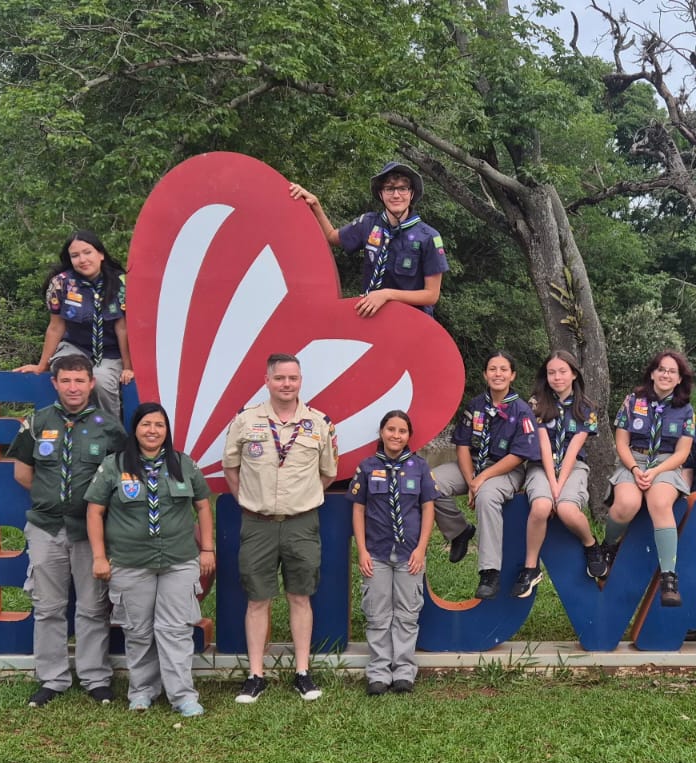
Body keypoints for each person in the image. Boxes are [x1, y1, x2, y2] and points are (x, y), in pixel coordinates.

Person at [6, 356, 127, 708]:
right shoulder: (37, 422)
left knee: (92, 605)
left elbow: (121, 478)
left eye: (80, 380)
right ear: (55, 383)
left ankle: (95, 678)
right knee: (48, 606)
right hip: (46, 527)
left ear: (91, 384)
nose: (73, 387)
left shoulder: (109, 426)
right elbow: (22, 474)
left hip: (92, 533)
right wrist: (53, 501)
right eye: (66, 381)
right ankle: (53, 678)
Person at [222, 353, 339, 703]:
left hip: (301, 523)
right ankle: (256, 674)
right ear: (267, 380)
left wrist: (298, 499)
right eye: (279, 378)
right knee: (257, 599)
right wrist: (249, 499)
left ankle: (303, 672)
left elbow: (329, 472)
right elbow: (231, 467)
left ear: (301, 380)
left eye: (293, 378)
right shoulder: (245, 421)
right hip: (257, 523)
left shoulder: (318, 423)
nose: (286, 384)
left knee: (300, 596)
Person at [84, 402, 214, 716]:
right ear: (135, 429)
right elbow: (95, 510)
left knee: (176, 630)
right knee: (138, 631)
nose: (152, 431)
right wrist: (99, 556)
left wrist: (207, 549)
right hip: (130, 562)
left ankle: (183, 696)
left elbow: (203, 505)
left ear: (166, 430)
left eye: (159, 425)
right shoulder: (114, 465)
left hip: (178, 560)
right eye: (146, 424)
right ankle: (141, 691)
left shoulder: (183, 463)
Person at [430, 351, 539, 600]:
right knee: (430, 481)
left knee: (487, 496)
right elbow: (463, 445)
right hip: (472, 467)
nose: (497, 374)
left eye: (503, 369)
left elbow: (519, 456)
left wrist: (481, 480)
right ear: (484, 374)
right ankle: (459, 531)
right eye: (492, 369)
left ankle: (489, 572)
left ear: (512, 375)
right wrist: (471, 480)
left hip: (505, 469)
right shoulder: (476, 405)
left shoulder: (521, 411)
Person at [350, 410, 438, 695]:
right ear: (381, 432)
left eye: (402, 431)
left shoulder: (419, 467)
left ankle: (403, 671)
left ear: (408, 436)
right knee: (377, 613)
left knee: (407, 613)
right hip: (375, 551)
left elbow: (427, 508)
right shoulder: (367, 466)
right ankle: (378, 671)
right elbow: (359, 509)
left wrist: (422, 548)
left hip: (409, 552)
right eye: (391, 429)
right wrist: (361, 550)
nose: (396, 435)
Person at [288, 162, 448, 318]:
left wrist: (386, 295)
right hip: (372, 320)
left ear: (411, 193)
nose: (396, 195)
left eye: (403, 188)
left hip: (411, 325)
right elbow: (331, 236)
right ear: (381, 193)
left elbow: (431, 295)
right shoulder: (368, 224)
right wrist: (315, 204)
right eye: (389, 189)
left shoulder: (429, 237)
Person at [513, 352, 609, 598]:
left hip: (573, 465)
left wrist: (560, 485)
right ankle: (531, 567)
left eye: (562, 371)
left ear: (574, 374)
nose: (557, 377)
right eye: (551, 372)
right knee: (541, 507)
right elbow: (543, 444)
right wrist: (552, 485)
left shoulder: (587, 408)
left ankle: (591, 545)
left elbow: (575, 448)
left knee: (566, 509)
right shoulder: (536, 403)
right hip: (540, 466)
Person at [606, 350, 696, 606]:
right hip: (634, 460)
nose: (666, 374)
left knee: (659, 503)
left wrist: (655, 472)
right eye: (662, 369)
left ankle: (669, 576)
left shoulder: (686, 410)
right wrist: (635, 469)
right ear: (653, 373)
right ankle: (609, 547)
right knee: (626, 504)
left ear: (679, 379)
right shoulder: (633, 401)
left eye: (672, 371)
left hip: (666, 465)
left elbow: (683, 452)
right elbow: (621, 442)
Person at [14, 230, 134, 422]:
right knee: (68, 374)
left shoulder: (121, 283)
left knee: (101, 381)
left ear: (100, 254)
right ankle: (70, 428)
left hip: (111, 353)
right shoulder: (61, 284)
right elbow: (55, 328)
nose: (82, 259)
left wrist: (128, 367)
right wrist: (41, 365)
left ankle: (110, 433)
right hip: (75, 347)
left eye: (87, 252)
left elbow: (123, 328)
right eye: (75, 256)